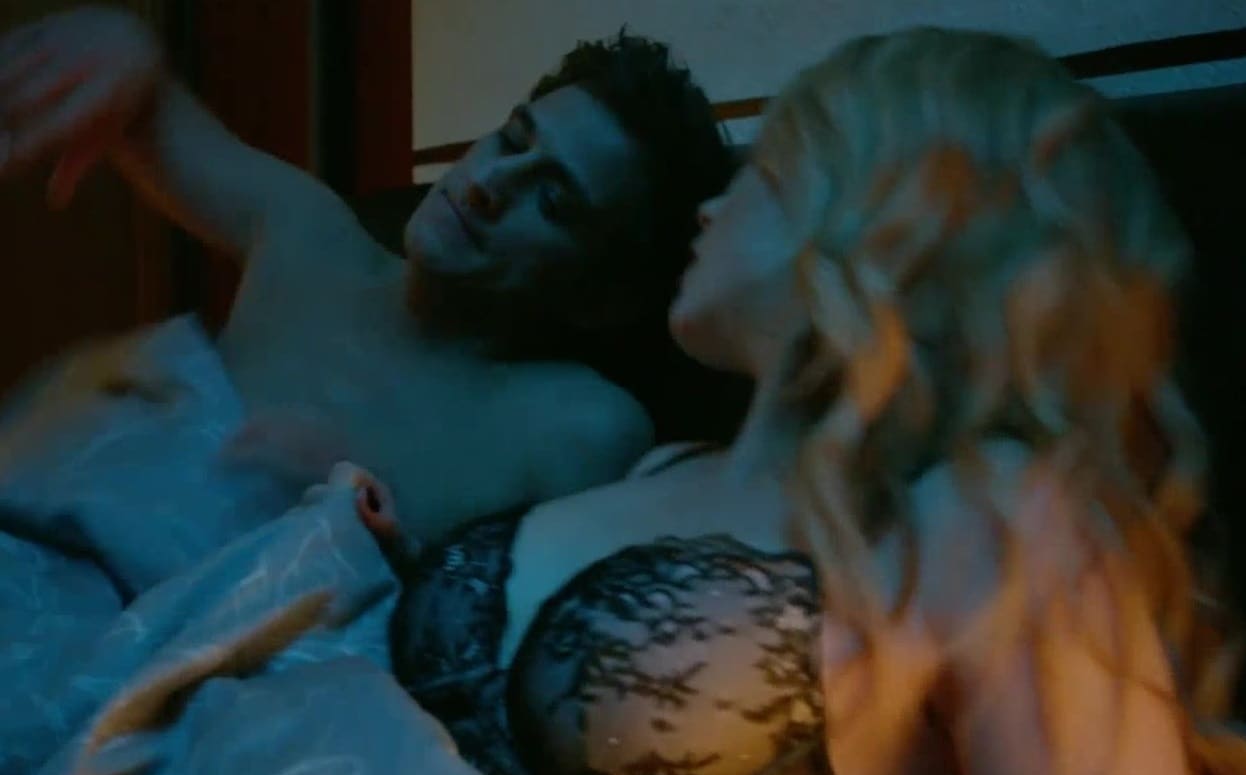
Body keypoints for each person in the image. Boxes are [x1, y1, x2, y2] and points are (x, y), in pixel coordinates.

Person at [361, 25, 1246, 775]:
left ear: (884, 220)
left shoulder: (997, 517)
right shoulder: (664, 464)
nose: (709, 209)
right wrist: (408, 565)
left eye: (768, 169)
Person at [0, 6, 735, 542]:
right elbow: (148, 109)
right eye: (512, 140)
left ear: (603, 296)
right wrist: (122, 48)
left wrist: (366, 522)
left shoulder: (575, 423)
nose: (489, 183)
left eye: (552, 199)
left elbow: (515, 643)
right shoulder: (312, 236)